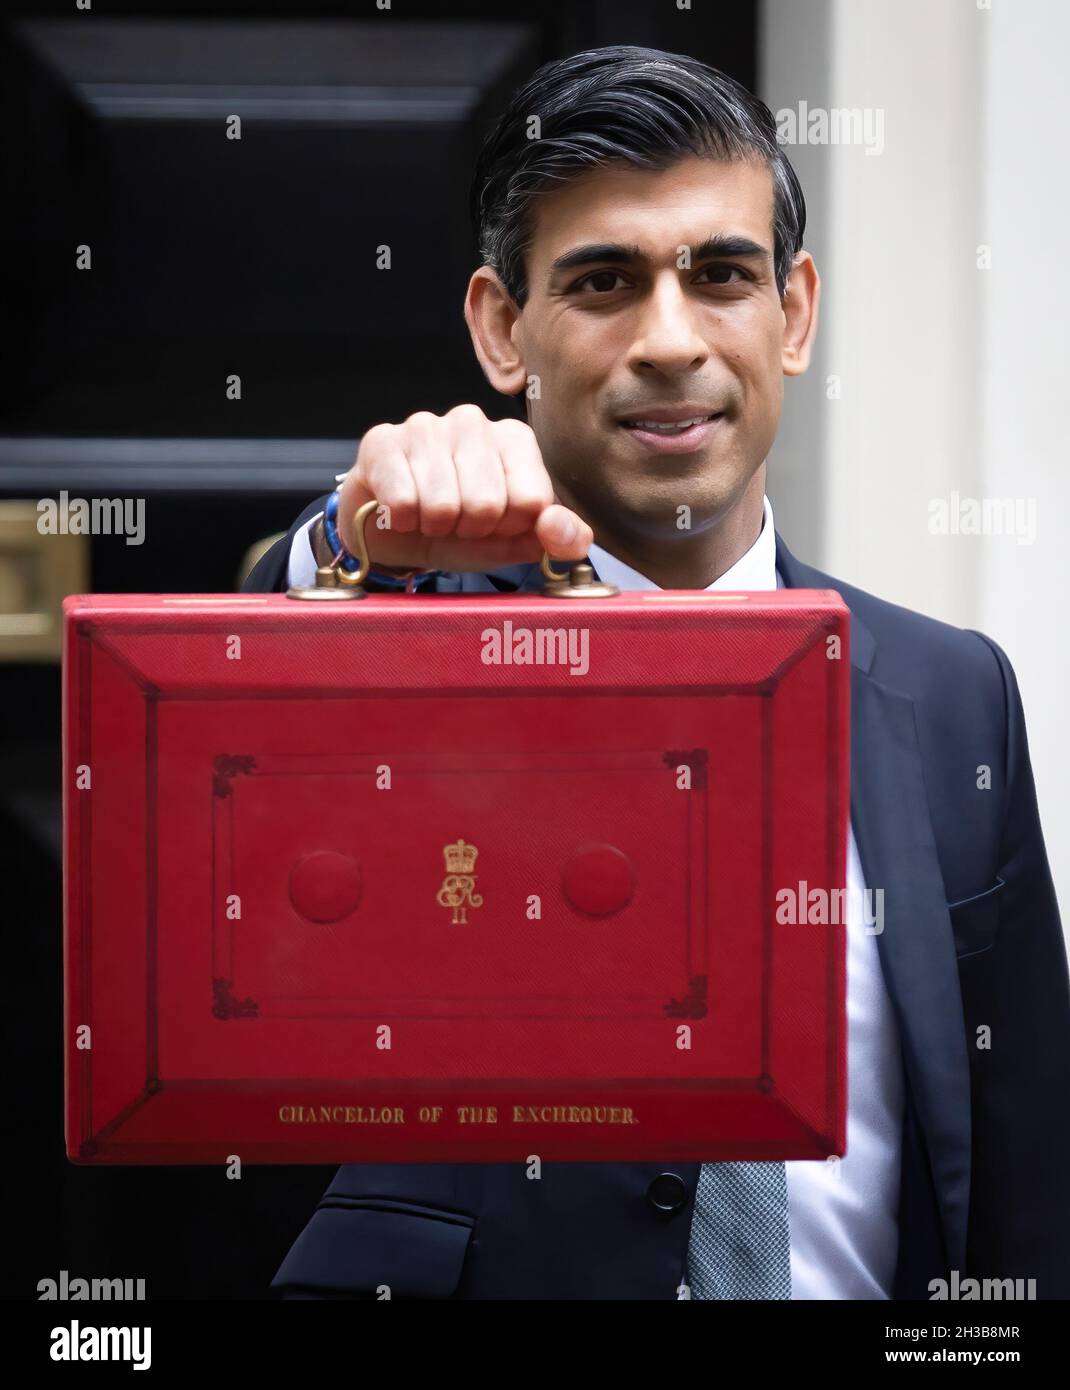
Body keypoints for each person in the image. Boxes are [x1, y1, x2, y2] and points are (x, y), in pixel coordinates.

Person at [242, 45, 1070, 1300]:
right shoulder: (393, 628)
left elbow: (1022, 1185)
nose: (669, 341)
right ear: (500, 328)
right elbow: (220, 715)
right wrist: (344, 542)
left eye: (721, 275)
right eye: (603, 282)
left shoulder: (951, 693)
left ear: (791, 314)